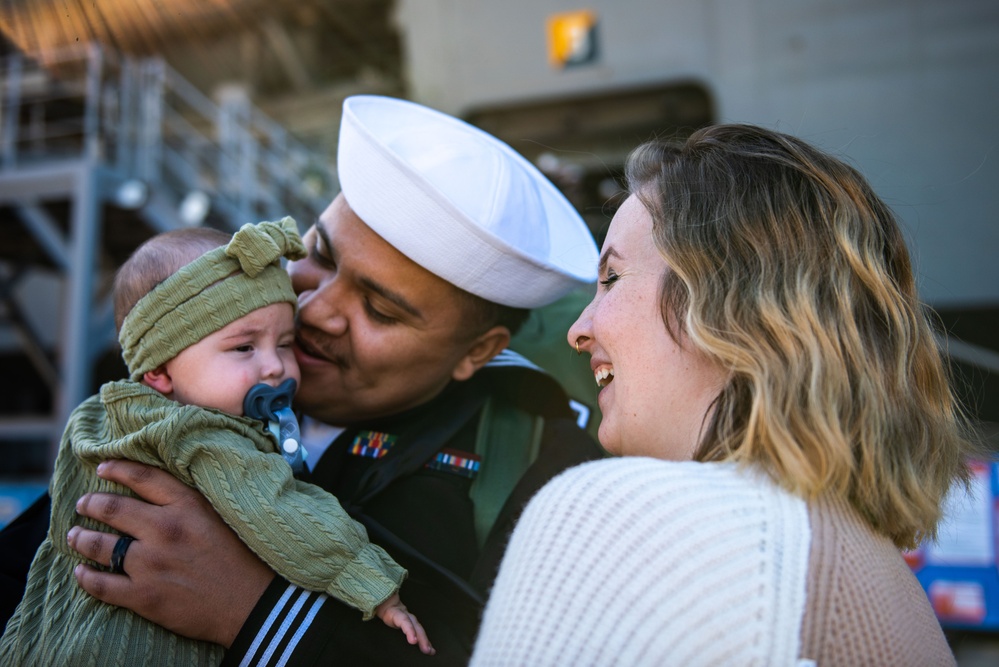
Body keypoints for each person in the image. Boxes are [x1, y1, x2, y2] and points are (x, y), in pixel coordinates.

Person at [0, 95, 605, 665]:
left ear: (478, 351)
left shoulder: (545, 481)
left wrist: (255, 612)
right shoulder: (183, 383)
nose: (313, 309)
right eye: (321, 253)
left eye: (380, 309)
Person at [470, 124, 977, 665]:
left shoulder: (624, 519)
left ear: (730, 306)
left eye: (612, 278)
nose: (578, 329)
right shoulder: (886, 581)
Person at [1, 219, 433, 665]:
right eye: (244, 348)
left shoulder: (97, 416)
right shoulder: (206, 435)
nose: (274, 367)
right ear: (160, 372)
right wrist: (371, 584)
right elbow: (281, 511)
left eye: (285, 343)